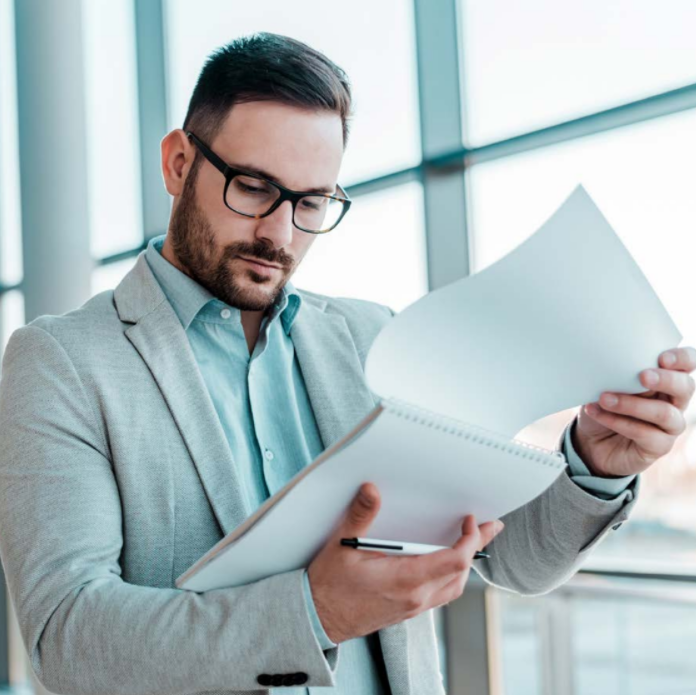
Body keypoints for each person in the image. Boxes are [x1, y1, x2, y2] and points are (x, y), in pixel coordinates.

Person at [0, 32, 693, 695]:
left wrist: (596, 464)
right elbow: (67, 638)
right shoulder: (64, 361)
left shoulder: (369, 338)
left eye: (310, 202)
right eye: (251, 186)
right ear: (179, 163)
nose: (278, 233)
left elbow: (509, 557)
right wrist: (315, 612)